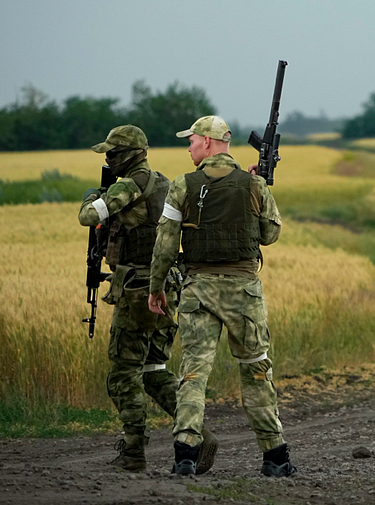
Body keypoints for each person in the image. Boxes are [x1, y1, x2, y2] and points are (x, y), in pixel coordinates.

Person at [146, 116, 295, 477]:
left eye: (193, 141)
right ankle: (275, 458)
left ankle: (185, 454)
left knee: (193, 373)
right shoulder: (252, 183)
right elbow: (269, 235)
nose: (189, 147)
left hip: (198, 292)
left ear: (209, 143)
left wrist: (156, 288)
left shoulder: (183, 184)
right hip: (244, 293)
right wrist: (256, 185)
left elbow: (165, 243)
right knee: (256, 370)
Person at [77, 124, 198, 471]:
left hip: (136, 291)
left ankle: (133, 452)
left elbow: (88, 216)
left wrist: (92, 195)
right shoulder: (164, 182)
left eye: (112, 154)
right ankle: (197, 431)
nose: (109, 160)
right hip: (167, 286)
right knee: (153, 369)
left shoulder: (129, 186)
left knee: (122, 373)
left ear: (128, 155)